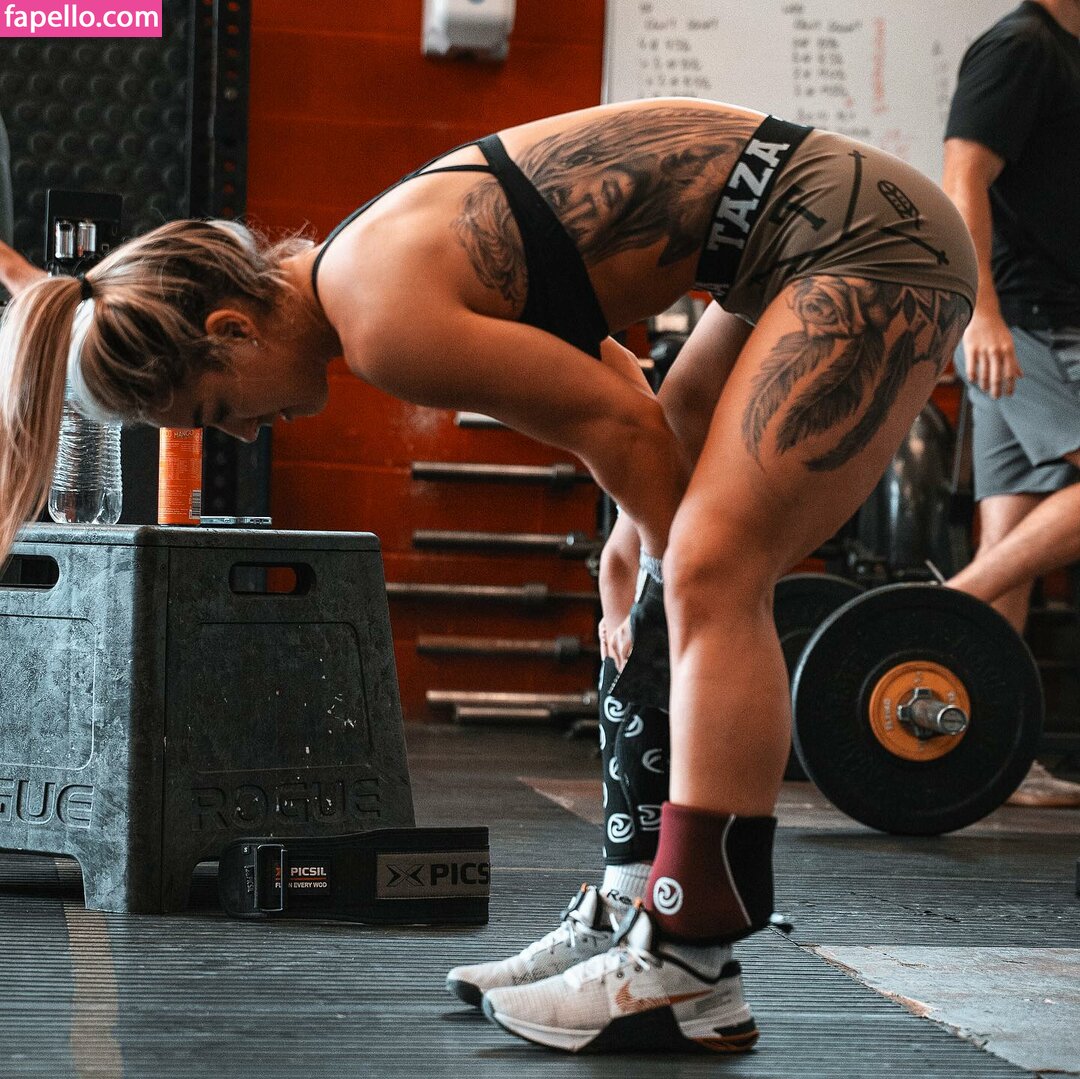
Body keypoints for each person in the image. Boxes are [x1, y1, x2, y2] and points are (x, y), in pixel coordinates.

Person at [0, 99, 975, 1053]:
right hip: (785, 242)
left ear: (232, 329)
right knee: (657, 564)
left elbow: (620, 426)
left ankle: (688, 962)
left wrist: (657, 564)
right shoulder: (361, 264)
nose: (245, 434)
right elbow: (615, 382)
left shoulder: (382, 320)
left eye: (217, 408)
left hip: (864, 241)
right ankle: (631, 900)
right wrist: (634, 548)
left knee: (709, 573)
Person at [941, 0, 1080, 807]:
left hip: (1035, 321)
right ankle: (936, 608)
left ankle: (993, 753)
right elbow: (963, 174)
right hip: (1028, 323)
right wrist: (981, 314)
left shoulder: (1064, 50)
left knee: (1012, 544)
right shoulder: (1021, 47)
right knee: (1004, 559)